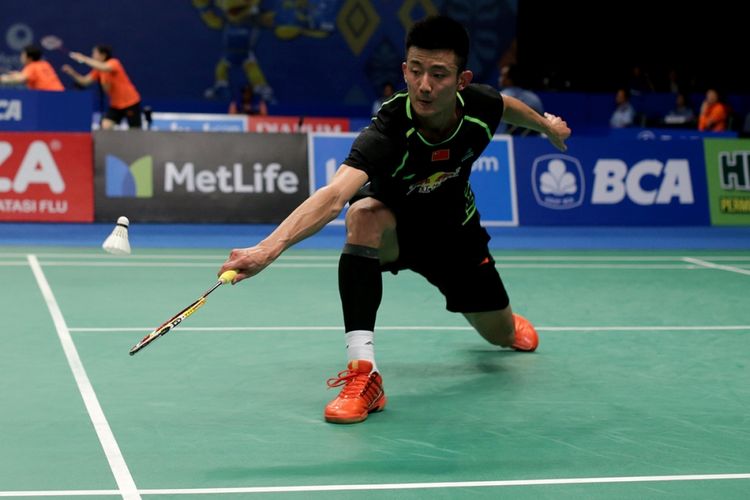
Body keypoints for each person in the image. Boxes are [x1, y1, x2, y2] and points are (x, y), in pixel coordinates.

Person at [218, 15, 571, 425]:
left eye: (438, 75)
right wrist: (268, 248)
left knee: (504, 336)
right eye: (416, 71)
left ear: (461, 80)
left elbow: (506, 106)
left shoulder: (479, 106)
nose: (424, 85)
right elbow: (334, 196)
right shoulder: (388, 129)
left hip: (456, 237)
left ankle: (504, 322)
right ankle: (364, 375)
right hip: (395, 231)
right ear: (404, 69)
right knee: (361, 215)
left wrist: (546, 126)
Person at [61, 45, 142, 130]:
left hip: (131, 102)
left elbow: (105, 67)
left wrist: (84, 59)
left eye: (94, 53)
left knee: (135, 131)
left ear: (103, 55)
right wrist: (72, 73)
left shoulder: (114, 63)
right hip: (115, 105)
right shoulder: (97, 70)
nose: (92, 55)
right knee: (105, 126)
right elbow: (85, 82)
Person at [498, 63, 544, 134]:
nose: (500, 79)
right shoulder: (534, 98)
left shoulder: (501, 97)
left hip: (504, 141)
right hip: (535, 141)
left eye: (503, 76)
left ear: (509, 79)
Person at [0, 45, 64, 91]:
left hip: (48, 96)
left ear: (29, 58)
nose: (21, 57)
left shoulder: (32, 66)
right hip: (60, 94)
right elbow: (33, 76)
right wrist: (19, 74)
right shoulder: (45, 64)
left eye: (23, 55)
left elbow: (21, 79)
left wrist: (2, 79)